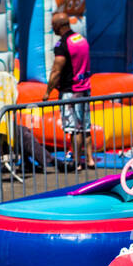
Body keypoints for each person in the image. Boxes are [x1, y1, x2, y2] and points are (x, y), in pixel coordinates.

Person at [48, 12, 94, 170]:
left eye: (53, 25)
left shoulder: (63, 44)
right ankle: (89, 159)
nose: (51, 27)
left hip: (70, 90)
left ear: (59, 26)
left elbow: (56, 70)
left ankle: (77, 161)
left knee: (74, 129)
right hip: (85, 88)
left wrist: (47, 92)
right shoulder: (81, 39)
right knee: (86, 126)